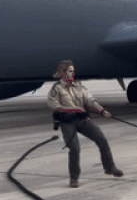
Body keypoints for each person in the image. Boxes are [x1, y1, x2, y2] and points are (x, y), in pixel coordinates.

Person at [47, 60, 123, 188]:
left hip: (83, 120)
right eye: (70, 71)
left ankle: (110, 168)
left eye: (73, 71)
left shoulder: (79, 86)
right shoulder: (56, 89)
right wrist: (74, 109)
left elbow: (90, 100)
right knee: (75, 148)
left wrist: (102, 110)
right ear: (63, 72)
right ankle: (74, 178)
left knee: (102, 140)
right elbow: (55, 106)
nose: (73, 74)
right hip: (67, 122)